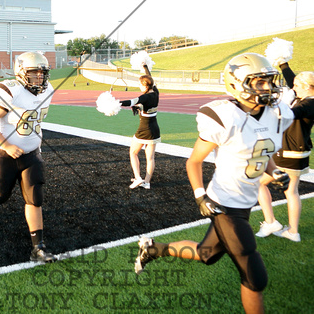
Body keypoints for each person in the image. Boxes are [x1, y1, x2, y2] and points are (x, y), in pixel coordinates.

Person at [134, 53, 294, 314]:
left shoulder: (276, 114)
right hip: (223, 204)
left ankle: (153, 249)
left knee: (205, 254)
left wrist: (275, 172)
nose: (267, 88)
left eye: (268, 81)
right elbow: (194, 162)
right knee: (254, 276)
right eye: (259, 82)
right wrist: (200, 196)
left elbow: (263, 152)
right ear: (235, 84)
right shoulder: (225, 116)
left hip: (245, 202)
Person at [0, 52, 57, 263]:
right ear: (21, 72)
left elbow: (34, 122)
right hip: (5, 154)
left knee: (34, 199)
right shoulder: (11, 91)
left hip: (32, 155)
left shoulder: (49, 90)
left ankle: (38, 249)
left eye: (42, 72)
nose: (39, 77)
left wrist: (35, 145)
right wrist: (7, 145)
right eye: (34, 72)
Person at [256, 65, 314, 242]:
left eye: (296, 85)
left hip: (289, 153)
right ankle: (293, 231)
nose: (293, 88)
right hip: (298, 152)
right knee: (291, 191)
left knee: (257, 183)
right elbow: (293, 81)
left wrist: (275, 102)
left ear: (306, 86)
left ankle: (271, 221)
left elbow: (285, 114)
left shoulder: (308, 103)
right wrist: (284, 65)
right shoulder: (307, 97)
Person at [118, 63, 160, 189]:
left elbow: (130, 102)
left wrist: (115, 102)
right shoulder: (156, 92)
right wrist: (145, 67)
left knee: (133, 153)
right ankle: (147, 182)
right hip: (155, 129)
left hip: (144, 130)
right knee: (150, 157)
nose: (139, 86)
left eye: (140, 84)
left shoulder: (145, 97)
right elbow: (150, 77)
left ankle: (138, 178)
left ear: (145, 85)